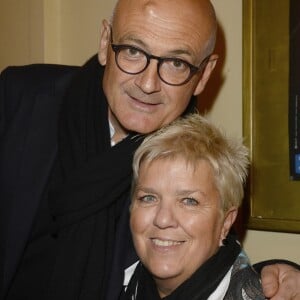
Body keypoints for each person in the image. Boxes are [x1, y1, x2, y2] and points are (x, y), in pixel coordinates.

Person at [0, 0, 299, 299]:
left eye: (176, 63)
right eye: (132, 51)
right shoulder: (20, 99)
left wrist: (268, 278)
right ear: (106, 42)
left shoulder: (196, 163)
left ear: (204, 74)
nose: (147, 83)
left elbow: (206, 262)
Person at [124, 113, 264, 299]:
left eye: (189, 201)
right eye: (149, 198)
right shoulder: (112, 282)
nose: (163, 219)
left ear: (225, 222)